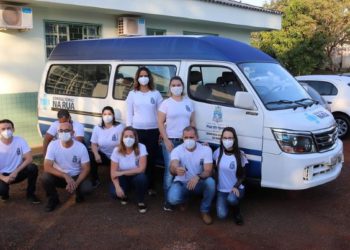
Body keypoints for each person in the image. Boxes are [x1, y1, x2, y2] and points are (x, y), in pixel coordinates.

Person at [158, 76, 195, 211]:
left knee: (184, 170)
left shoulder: (189, 103)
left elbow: (192, 123)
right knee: (170, 172)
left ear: (182, 86)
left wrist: (195, 140)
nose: (176, 87)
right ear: (170, 88)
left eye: (178, 85)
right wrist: (166, 140)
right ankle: (168, 202)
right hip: (171, 141)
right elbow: (160, 123)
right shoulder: (166, 103)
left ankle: (180, 198)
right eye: (173, 85)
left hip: (186, 142)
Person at [126, 66, 163, 195]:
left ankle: (150, 186)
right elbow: (129, 113)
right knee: (137, 158)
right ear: (137, 78)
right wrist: (129, 130)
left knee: (151, 159)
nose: (143, 78)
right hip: (137, 131)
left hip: (153, 131)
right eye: (141, 76)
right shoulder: (132, 94)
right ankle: (136, 184)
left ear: (149, 77)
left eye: (145, 75)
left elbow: (161, 114)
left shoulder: (156, 94)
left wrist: (161, 131)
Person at [168, 126, 215, 225]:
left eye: (191, 137)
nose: (188, 140)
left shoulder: (205, 150)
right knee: (172, 199)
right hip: (182, 183)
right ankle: (185, 198)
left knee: (211, 182)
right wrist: (176, 169)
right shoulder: (177, 150)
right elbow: (172, 166)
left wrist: (198, 177)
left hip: (198, 182)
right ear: (183, 138)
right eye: (186, 137)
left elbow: (208, 171)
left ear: (197, 137)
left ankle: (204, 211)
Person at [42, 122, 92, 212]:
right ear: (57, 132)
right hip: (60, 176)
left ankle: (78, 192)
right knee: (45, 177)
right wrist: (65, 175)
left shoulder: (81, 147)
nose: (63, 133)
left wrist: (76, 183)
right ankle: (53, 199)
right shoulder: (53, 145)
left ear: (73, 133)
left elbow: (86, 168)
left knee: (87, 188)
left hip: (76, 176)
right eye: (61, 131)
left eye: (66, 130)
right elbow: (47, 166)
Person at [213, 127, 248, 225]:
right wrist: (203, 147)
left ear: (234, 139)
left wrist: (236, 186)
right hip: (222, 190)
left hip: (236, 189)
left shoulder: (240, 155)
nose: (227, 140)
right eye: (224, 138)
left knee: (232, 199)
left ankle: (237, 212)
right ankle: (227, 203)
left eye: (230, 138)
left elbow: (244, 175)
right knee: (221, 215)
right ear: (221, 139)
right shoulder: (217, 152)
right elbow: (210, 164)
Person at [0, 119, 40, 203]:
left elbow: (29, 159)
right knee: (2, 190)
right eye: (3, 129)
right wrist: (4, 178)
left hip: (17, 173)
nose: (6, 131)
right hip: (2, 175)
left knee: (32, 168)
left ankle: (30, 194)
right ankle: (4, 193)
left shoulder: (20, 140)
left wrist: (16, 172)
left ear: (13, 129)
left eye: (9, 128)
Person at [110, 126, 148, 213]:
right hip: (122, 178)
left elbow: (141, 169)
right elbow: (113, 173)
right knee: (114, 192)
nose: (128, 139)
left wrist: (121, 172)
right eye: (126, 136)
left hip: (135, 177)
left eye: (131, 136)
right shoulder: (116, 150)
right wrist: (117, 187)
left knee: (142, 178)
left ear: (135, 138)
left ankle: (140, 200)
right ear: (122, 138)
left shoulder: (142, 147)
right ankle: (125, 195)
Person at [90, 106, 124, 187]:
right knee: (91, 156)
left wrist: (115, 157)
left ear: (113, 116)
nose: (107, 116)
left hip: (116, 157)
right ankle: (95, 180)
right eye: (105, 114)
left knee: (120, 181)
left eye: (109, 114)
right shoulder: (97, 128)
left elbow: (122, 144)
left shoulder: (119, 127)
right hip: (104, 156)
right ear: (102, 116)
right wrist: (96, 154)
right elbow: (93, 144)